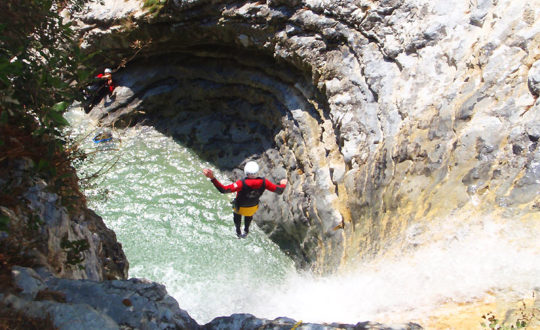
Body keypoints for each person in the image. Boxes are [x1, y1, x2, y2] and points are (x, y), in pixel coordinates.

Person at [203, 161, 287, 238]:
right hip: (252, 207)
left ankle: (238, 232)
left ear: (246, 172)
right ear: (257, 172)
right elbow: (279, 190)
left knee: (237, 218)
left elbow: (223, 190)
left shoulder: (241, 183)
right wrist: (283, 184)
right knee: (248, 216)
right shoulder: (264, 182)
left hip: (239, 208)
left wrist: (212, 178)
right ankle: (246, 231)